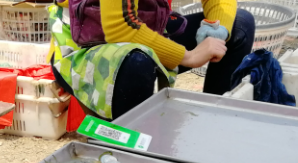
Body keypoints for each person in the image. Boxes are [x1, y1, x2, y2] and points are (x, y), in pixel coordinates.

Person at [50, 0, 256, 120]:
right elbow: (119, 26)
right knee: (136, 62)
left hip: (148, 31)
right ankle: (128, 154)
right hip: (85, 46)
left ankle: (214, 127)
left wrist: (215, 30)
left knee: (239, 25)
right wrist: (189, 56)